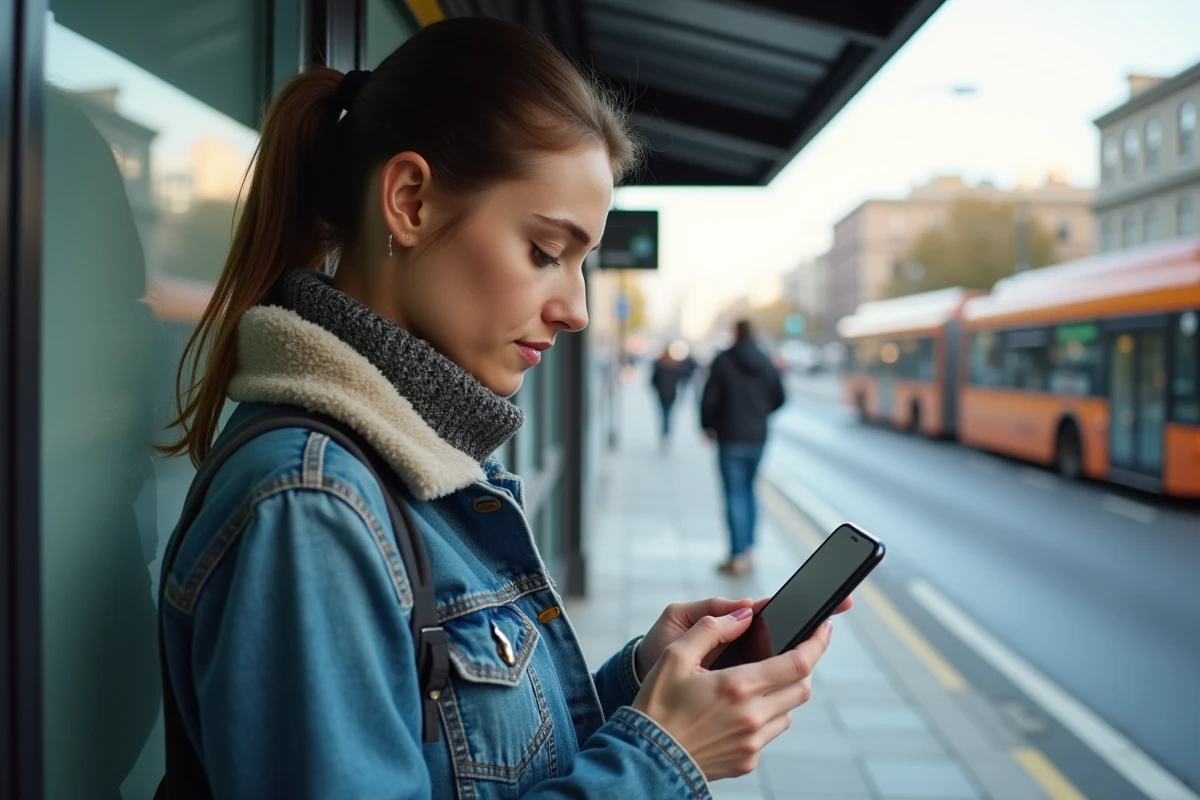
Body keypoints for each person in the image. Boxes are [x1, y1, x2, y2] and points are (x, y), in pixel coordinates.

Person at [158, 19, 849, 798]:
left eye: (583, 262)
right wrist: (662, 758)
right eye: (546, 252)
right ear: (410, 202)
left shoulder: (401, 458)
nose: (577, 309)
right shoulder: (313, 505)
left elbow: (470, 760)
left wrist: (639, 686)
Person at [701, 319, 787, 575]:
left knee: (734, 494)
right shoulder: (766, 360)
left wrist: (708, 425)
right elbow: (780, 397)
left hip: (730, 437)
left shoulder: (724, 360)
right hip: (757, 437)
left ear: (734, 332)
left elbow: (709, 397)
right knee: (749, 491)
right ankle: (749, 549)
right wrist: (760, 414)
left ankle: (737, 554)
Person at [650, 348, 686, 449]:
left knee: (664, 414)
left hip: (663, 394)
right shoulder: (674, 366)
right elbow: (679, 379)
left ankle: (665, 433)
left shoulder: (659, 365)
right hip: (671, 394)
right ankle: (667, 433)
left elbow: (653, 380)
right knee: (668, 414)